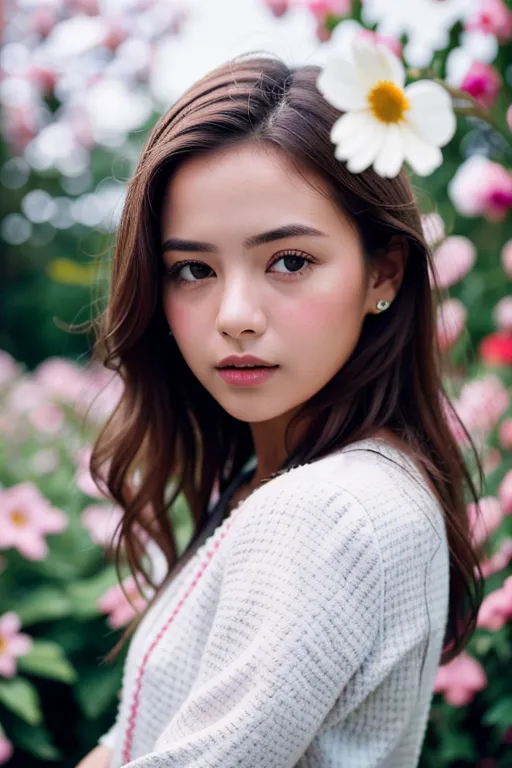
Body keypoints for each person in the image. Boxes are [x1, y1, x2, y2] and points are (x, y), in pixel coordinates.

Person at [76, 50, 485, 768]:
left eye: (289, 260)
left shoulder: (325, 510)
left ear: (383, 271)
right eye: (192, 270)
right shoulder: (287, 482)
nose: (235, 316)